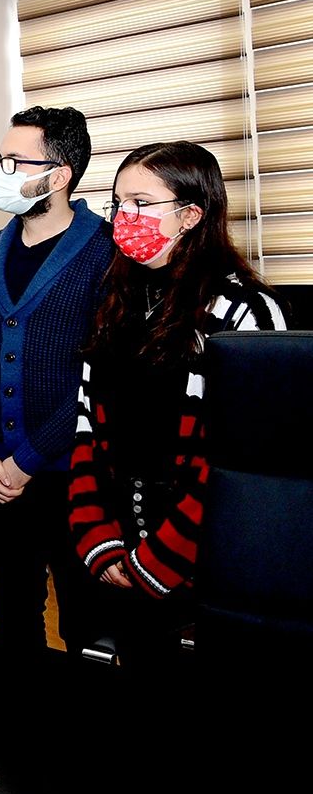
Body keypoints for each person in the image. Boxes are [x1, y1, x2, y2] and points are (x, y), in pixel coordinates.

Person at [69, 140, 286, 664]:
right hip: (119, 546)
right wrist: (99, 540)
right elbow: (86, 428)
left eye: (141, 203)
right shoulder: (114, 304)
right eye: (119, 203)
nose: (124, 217)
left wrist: (160, 561)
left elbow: (245, 465)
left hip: (207, 557)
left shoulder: (245, 313)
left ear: (191, 215)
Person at [0, 106, 114, 655]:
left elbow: (101, 377)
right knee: (11, 613)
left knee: (86, 622)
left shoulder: (107, 251)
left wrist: (27, 459)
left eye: (15, 162)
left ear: (59, 176)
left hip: (74, 472)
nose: (0, 171)